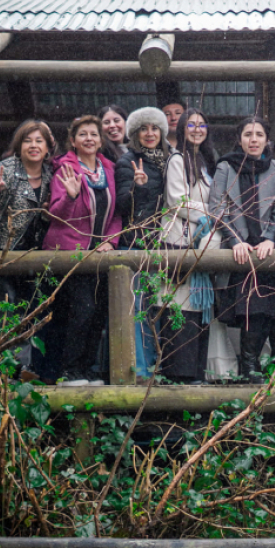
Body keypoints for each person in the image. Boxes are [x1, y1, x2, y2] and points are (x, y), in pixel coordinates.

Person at [38, 115, 122, 384]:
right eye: (83, 134)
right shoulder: (65, 168)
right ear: (73, 141)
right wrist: (71, 196)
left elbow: (116, 213)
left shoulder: (109, 169)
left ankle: (86, 368)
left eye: (94, 134)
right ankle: (68, 370)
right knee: (80, 311)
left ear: (100, 140)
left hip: (100, 253)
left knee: (97, 313)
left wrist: (110, 240)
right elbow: (55, 214)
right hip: (70, 251)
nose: (89, 139)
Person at [208, 117, 275, 384]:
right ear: (239, 139)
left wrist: (270, 239)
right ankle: (249, 367)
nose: (253, 140)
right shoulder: (225, 167)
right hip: (239, 249)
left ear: (267, 139)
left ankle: (254, 366)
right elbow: (216, 209)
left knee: (267, 309)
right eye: (248, 134)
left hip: (266, 248)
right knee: (250, 309)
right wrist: (235, 241)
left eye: (259, 134)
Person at [156, 108, 221, 385]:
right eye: (191, 125)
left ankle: (196, 372)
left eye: (202, 125)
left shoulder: (205, 161)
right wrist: (210, 214)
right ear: (182, 129)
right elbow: (177, 201)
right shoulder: (177, 159)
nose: (197, 129)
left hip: (203, 242)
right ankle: (178, 375)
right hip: (179, 241)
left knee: (198, 308)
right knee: (179, 307)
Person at [0, 119, 55, 319]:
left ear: (47, 148)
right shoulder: (4, 170)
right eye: (27, 140)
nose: (33, 145)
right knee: (0, 314)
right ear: (19, 145)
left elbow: (42, 221)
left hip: (29, 256)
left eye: (39, 141)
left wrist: (45, 217)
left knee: (26, 314)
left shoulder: (51, 176)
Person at [115, 107, 172, 379]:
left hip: (161, 244)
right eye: (144, 129)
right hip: (135, 243)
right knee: (137, 308)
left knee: (156, 308)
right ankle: (139, 370)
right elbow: (121, 206)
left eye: (155, 128)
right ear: (135, 134)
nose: (150, 133)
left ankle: (155, 367)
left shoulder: (168, 160)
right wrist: (136, 187)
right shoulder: (128, 161)